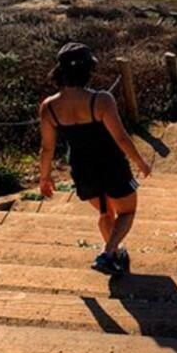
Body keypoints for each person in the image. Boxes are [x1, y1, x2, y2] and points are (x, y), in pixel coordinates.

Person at [38, 43, 152, 275]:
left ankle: (116, 255)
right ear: (89, 69)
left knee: (104, 213)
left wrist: (44, 177)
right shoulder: (101, 100)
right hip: (111, 165)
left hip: (82, 169)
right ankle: (108, 253)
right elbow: (120, 138)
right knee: (127, 212)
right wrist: (140, 161)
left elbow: (47, 148)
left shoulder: (49, 107)